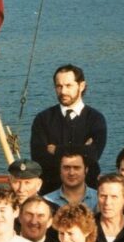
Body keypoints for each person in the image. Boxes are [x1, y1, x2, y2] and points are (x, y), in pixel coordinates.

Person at [30, 64, 107, 192]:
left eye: (68, 86)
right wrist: (82, 149)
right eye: (59, 86)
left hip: (88, 192)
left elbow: (93, 154)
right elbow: (39, 158)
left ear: (81, 86)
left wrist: (57, 150)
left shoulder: (96, 119)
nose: (63, 91)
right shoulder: (43, 119)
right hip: (51, 192)